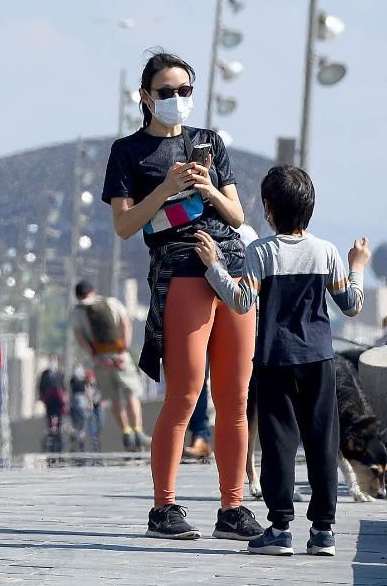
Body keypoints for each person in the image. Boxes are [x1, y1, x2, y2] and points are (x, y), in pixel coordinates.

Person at [102, 50, 257, 542]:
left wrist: (208, 188)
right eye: (166, 92)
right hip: (181, 270)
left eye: (184, 91)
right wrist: (167, 187)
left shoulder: (207, 142)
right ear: (145, 96)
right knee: (185, 394)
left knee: (234, 397)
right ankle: (163, 507)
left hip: (231, 267)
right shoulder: (128, 152)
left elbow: (235, 215)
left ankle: (233, 507)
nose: (176, 100)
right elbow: (126, 226)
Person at [199, 165, 368, 558]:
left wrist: (213, 267)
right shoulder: (326, 251)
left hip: (275, 360)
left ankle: (279, 528)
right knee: (322, 443)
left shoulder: (260, 252)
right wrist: (356, 265)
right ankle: (323, 530)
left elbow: (241, 301)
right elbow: (352, 305)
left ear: (269, 209)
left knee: (278, 444)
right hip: (319, 360)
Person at [70, 280, 146, 451]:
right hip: (121, 356)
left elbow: (80, 337)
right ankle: (138, 431)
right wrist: (123, 351)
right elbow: (125, 324)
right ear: (94, 291)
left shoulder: (78, 310)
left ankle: (126, 431)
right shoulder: (112, 302)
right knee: (132, 393)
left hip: (101, 359)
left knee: (114, 397)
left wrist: (95, 357)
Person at [38, 356, 67, 444]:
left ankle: (57, 434)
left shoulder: (60, 373)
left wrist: (65, 396)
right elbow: (41, 386)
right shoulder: (45, 374)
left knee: (58, 416)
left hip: (58, 400)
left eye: (54, 360)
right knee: (50, 416)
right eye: (51, 360)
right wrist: (42, 396)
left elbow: (63, 386)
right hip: (49, 400)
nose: (52, 362)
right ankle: (50, 434)